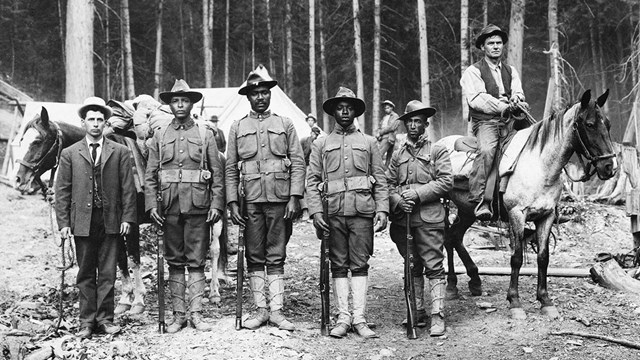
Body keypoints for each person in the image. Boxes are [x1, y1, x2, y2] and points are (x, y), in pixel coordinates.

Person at [226, 70, 306, 331]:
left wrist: (295, 197)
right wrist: (232, 202)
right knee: (254, 254)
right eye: (255, 93)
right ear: (248, 97)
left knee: (277, 253)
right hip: (250, 200)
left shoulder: (285, 124)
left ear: (270, 94)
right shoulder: (237, 127)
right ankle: (261, 309)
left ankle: (277, 311)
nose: (260, 97)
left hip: (280, 198)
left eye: (264, 92)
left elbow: (298, 162)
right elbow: (230, 168)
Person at [307, 87, 389, 339]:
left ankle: (360, 318)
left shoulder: (369, 142)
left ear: (355, 111)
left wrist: (383, 209)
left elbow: (381, 178)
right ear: (333, 111)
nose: (344, 111)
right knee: (338, 264)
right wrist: (315, 212)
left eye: (349, 107)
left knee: (361, 264)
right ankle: (343, 318)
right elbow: (311, 181)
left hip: (362, 212)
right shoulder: (321, 144)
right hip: (332, 213)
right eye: (340, 107)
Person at [144, 79, 225, 333]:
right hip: (168, 207)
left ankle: (197, 314)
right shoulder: (160, 135)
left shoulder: (205, 134)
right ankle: (179, 316)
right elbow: (150, 175)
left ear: (191, 104)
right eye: (175, 101)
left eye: (185, 100)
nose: (180, 105)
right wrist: (151, 205)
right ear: (170, 105)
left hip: (198, 206)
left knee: (197, 261)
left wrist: (217, 205)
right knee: (175, 261)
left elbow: (217, 174)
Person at [54, 96, 137, 339]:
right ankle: (86, 323)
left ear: (105, 123)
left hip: (110, 220)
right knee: (86, 273)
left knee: (108, 273)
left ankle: (105, 320)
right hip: (82, 221)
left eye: (100, 120)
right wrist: (64, 224)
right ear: (83, 123)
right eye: (91, 119)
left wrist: (127, 219)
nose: (96, 124)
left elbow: (128, 189)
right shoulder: (70, 154)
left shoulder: (120, 152)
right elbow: (63, 191)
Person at [385, 100, 453, 337]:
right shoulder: (398, 153)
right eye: (409, 121)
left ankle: (438, 315)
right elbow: (388, 183)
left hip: (429, 218)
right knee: (411, 265)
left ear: (425, 124)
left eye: (417, 121)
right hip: (403, 220)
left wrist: (418, 193)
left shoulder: (437, 151)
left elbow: (446, 182)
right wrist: (396, 200)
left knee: (433, 265)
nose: (413, 125)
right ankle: (418, 312)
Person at [460, 24, 525, 220]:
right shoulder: (473, 71)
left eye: (498, 43)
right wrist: (503, 106)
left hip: (510, 121)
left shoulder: (510, 70)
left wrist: (517, 100)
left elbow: (518, 91)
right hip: (486, 122)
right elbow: (477, 99)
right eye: (491, 43)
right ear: (483, 47)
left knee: (533, 145)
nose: (496, 46)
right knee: (487, 150)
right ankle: (479, 199)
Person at [376, 100, 400, 167]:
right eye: (385, 108)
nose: (386, 109)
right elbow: (380, 126)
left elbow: (391, 127)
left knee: (379, 154)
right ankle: (386, 171)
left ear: (392, 107)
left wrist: (380, 133)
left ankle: (378, 170)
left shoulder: (395, 116)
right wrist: (378, 133)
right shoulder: (385, 117)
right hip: (384, 137)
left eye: (388, 108)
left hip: (389, 137)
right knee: (389, 157)